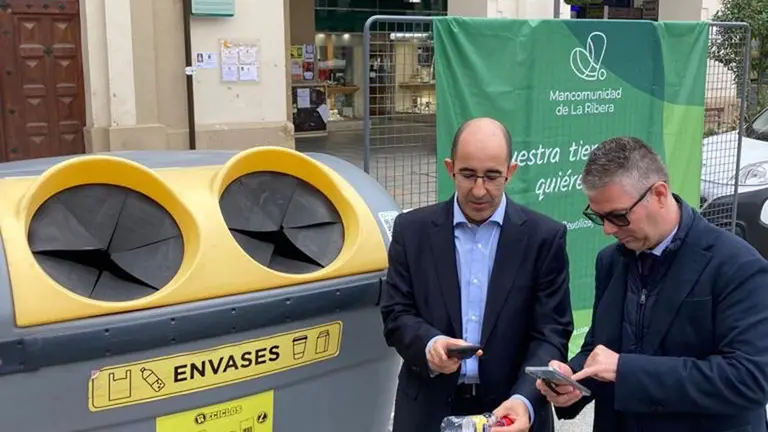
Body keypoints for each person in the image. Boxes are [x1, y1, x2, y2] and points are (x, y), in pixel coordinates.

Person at [536, 136, 768, 432]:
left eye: (618, 216)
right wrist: (573, 379)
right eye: (598, 217)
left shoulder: (738, 266)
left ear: (659, 194)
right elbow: (600, 348)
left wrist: (626, 370)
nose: (607, 230)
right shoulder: (611, 262)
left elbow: (748, 379)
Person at [380, 117, 574, 432]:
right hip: (427, 410)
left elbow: (551, 333)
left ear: (511, 172)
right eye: (468, 175)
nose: (479, 190)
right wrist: (431, 345)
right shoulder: (412, 231)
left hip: (511, 412)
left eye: (492, 176)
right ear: (449, 168)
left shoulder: (543, 238)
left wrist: (524, 401)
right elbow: (395, 313)